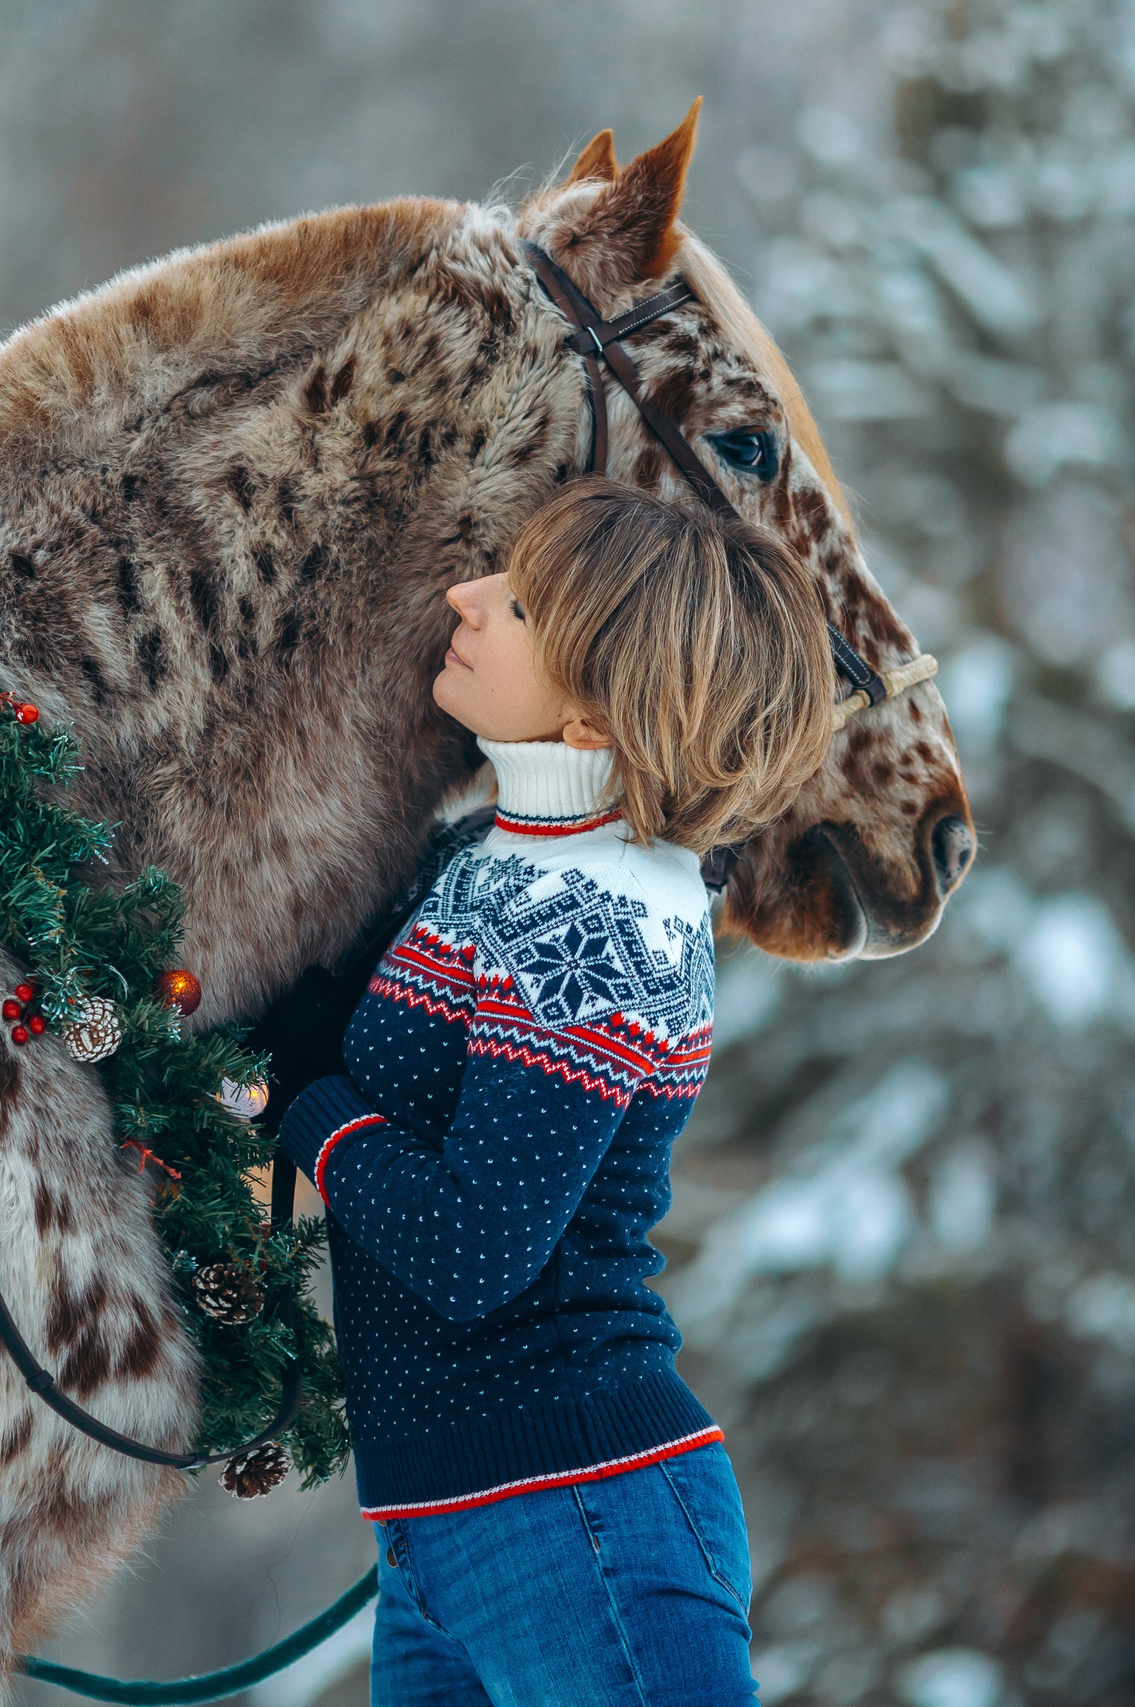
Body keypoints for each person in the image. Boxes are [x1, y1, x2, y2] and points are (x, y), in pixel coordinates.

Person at [262, 475, 835, 1705]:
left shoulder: (606, 916)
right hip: (451, 1529)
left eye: (515, 606)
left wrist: (301, 1102)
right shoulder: (506, 858)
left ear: (591, 718)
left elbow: (475, 1244)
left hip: (579, 1526)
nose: (464, 599)